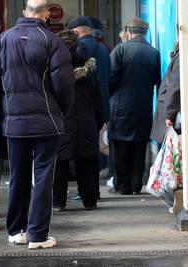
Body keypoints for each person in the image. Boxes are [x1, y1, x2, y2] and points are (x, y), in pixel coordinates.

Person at [0, 0, 75, 249]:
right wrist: (60, 112)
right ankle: (38, 235)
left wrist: (5, 110)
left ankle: (16, 231)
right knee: (44, 176)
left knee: (18, 176)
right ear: (46, 15)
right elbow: (65, 86)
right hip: (47, 120)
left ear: (25, 13)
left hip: (15, 122)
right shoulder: (53, 42)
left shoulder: (2, 40)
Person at [53, 30, 105, 212]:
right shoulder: (88, 66)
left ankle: (58, 202)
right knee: (87, 161)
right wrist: (99, 120)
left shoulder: (54, 67)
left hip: (61, 119)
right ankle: (89, 200)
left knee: (59, 162)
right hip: (85, 118)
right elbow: (97, 96)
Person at [108, 18, 161, 195]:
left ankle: (122, 186)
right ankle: (136, 185)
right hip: (143, 108)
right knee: (139, 149)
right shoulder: (154, 53)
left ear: (128, 31)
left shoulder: (120, 49)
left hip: (120, 107)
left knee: (120, 150)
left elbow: (111, 78)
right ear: (145, 32)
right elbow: (155, 80)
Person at [67, 16, 111, 199]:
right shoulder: (103, 48)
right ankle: (94, 190)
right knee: (95, 147)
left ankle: (86, 191)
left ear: (77, 31)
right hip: (102, 104)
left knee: (82, 152)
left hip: (83, 106)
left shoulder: (79, 49)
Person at [150, 42, 181, 214]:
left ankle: (173, 198)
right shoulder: (177, 56)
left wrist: (169, 114)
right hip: (172, 112)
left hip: (171, 114)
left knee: (169, 157)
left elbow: (174, 87)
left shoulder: (180, 57)